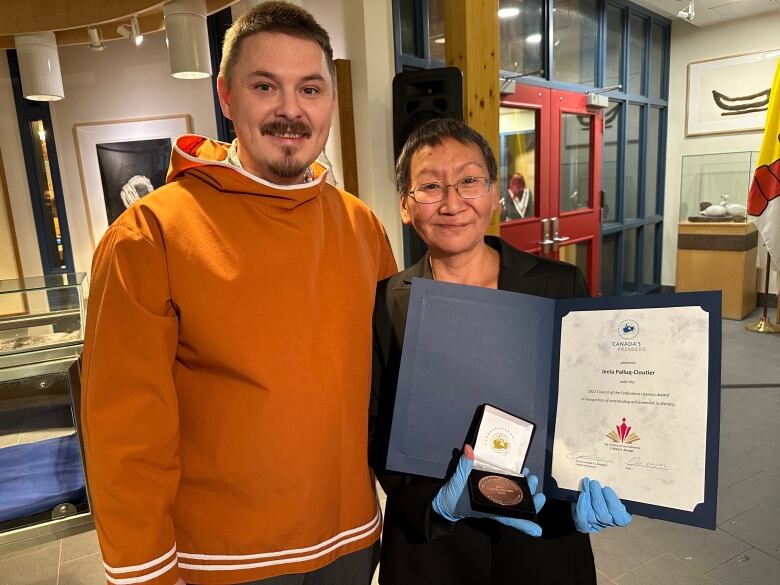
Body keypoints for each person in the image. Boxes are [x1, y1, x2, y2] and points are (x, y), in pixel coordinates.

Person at [81, 3, 396, 585]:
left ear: (331, 101)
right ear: (226, 97)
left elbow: (387, 383)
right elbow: (124, 431)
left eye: (310, 88)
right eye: (264, 86)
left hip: (351, 537)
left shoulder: (362, 227)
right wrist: (144, 570)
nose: (290, 110)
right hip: (222, 560)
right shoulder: (150, 235)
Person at [370, 119, 630, 585]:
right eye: (430, 186)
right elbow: (376, 426)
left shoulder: (557, 285)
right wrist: (434, 505)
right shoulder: (387, 300)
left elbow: (592, 404)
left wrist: (596, 480)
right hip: (434, 548)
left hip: (541, 539)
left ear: (493, 194)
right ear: (407, 207)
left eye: (468, 181)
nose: (452, 203)